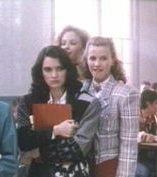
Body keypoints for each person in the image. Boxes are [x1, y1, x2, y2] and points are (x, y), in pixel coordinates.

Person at [17, 45, 101, 177]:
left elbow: (77, 150)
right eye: (48, 70)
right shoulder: (27, 102)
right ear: (40, 72)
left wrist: (36, 153)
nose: (54, 75)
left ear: (67, 70)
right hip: (38, 174)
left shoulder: (88, 103)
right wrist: (55, 131)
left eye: (60, 68)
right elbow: (23, 141)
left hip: (75, 172)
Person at [82, 36, 140, 177]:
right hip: (82, 166)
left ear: (112, 60)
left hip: (109, 166)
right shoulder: (80, 90)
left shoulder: (126, 94)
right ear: (86, 60)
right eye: (92, 58)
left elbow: (128, 145)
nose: (97, 63)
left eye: (103, 58)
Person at [137, 89, 157, 177]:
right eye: (156, 103)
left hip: (146, 156)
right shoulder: (134, 117)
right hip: (134, 158)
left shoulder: (152, 119)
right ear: (148, 104)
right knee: (144, 171)